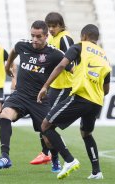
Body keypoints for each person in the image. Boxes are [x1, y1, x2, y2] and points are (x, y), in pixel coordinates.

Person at [37, 24, 111, 180]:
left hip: (81, 97)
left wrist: (45, 86)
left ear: (83, 36)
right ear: (95, 38)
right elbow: (106, 89)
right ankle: (97, 172)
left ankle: (69, 160)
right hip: (96, 102)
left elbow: (62, 65)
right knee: (86, 133)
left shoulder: (79, 47)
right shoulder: (104, 56)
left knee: (45, 125)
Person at [0, 20, 64, 172]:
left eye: (38, 37)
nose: (35, 40)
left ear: (46, 36)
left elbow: (71, 66)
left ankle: (55, 160)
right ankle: (5, 156)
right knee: (4, 114)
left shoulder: (55, 54)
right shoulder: (22, 45)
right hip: (20, 95)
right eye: (32, 36)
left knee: (47, 136)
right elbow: (13, 51)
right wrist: (7, 66)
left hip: (39, 100)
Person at [30, 12, 74, 167]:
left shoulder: (64, 38)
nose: (51, 29)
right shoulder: (52, 38)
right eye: (49, 26)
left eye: (54, 26)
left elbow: (72, 60)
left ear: (61, 25)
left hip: (64, 86)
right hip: (53, 86)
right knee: (44, 121)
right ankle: (52, 159)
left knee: (46, 122)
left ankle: (48, 154)